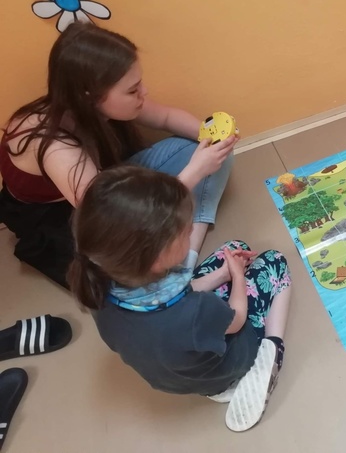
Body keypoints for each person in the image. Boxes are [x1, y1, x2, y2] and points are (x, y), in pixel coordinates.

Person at [0, 22, 236, 288]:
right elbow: (112, 216)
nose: (143, 93)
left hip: (101, 182)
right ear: (90, 96)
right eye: (133, 90)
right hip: (68, 215)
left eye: (139, 83)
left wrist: (212, 136)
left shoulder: (90, 103)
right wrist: (195, 171)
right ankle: (178, 275)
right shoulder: (55, 147)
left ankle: (186, 258)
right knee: (118, 279)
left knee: (217, 155)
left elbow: (166, 117)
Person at [69, 166, 292, 432]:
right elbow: (237, 317)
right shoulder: (196, 312)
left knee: (234, 249)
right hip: (224, 366)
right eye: (186, 233)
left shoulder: (97, 287)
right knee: (275, 262)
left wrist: (223, 274)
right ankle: (272, 350)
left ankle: (218, 382)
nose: (191, 231)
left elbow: (176, 297)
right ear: (156, 259)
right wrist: (237, 277)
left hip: (175, 376)